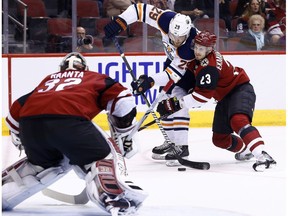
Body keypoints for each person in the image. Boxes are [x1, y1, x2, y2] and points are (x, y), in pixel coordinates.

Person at [2, 52, 147, 214]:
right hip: (69, 123)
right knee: (103, 156)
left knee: (44, 166)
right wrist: (123, 132)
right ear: (85, 68)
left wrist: (22, 138)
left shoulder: (49, 80)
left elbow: (14, 114)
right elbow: (124, 100)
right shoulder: (94, 77)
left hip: (30, 126)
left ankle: (5, 190)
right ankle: (113, 196)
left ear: (61, 68)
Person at [154, 31, 277, 172]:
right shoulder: (196, 58)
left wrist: (176, 104)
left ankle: (262, 155)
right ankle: (246, 149)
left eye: (201, 49)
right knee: (220, 139)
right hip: (224, 98)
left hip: (240, 90)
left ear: (209, 49)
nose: (197, 51)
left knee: (238, 120)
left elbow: (202, 97)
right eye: (196, 47)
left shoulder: (209, 67)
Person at [104, 3, 198, 166]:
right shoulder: (165, 19)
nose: (175, 40)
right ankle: (171, 142)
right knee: (163, 102)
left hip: (192, 69)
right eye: (172, 36)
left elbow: (174, 74)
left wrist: (149, 81)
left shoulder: (189, 48)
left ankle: (182, 147)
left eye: (179, 38)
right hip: (171, 61)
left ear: (187, 34)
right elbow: (139, 9)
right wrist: (121, 21)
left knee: (176, 101)